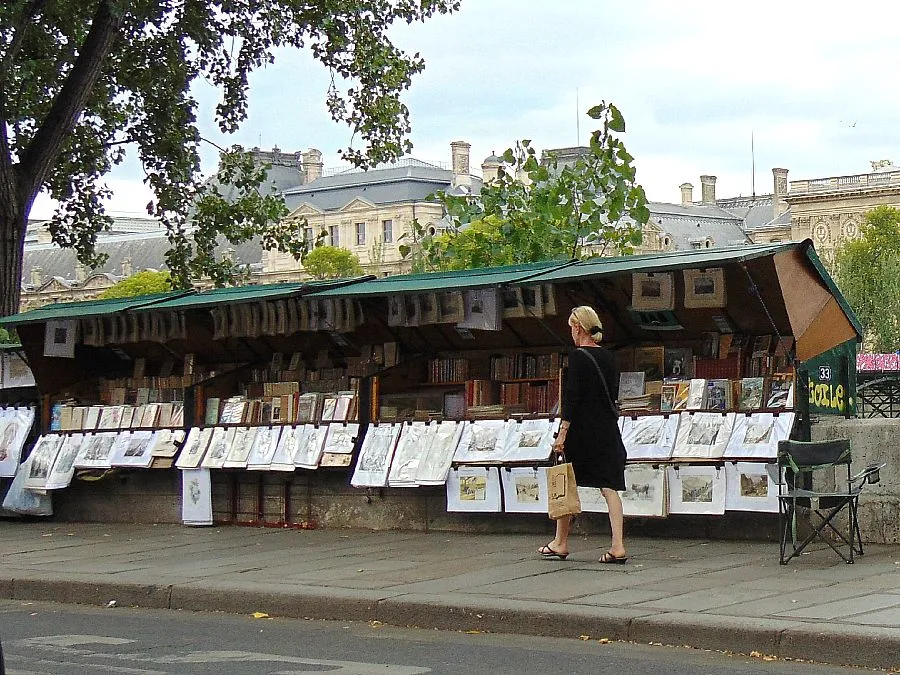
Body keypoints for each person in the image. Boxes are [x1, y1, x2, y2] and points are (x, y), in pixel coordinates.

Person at [538, 305, 628, 564]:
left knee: (565, 482)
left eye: (571, 328)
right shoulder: (610, 358)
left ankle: (561, 542)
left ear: (578, 327)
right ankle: (618, 546)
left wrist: (563, 432)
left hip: (582, 431)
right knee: (610, 488)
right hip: (607, 430)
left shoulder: (578, 357)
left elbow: (572, 398)